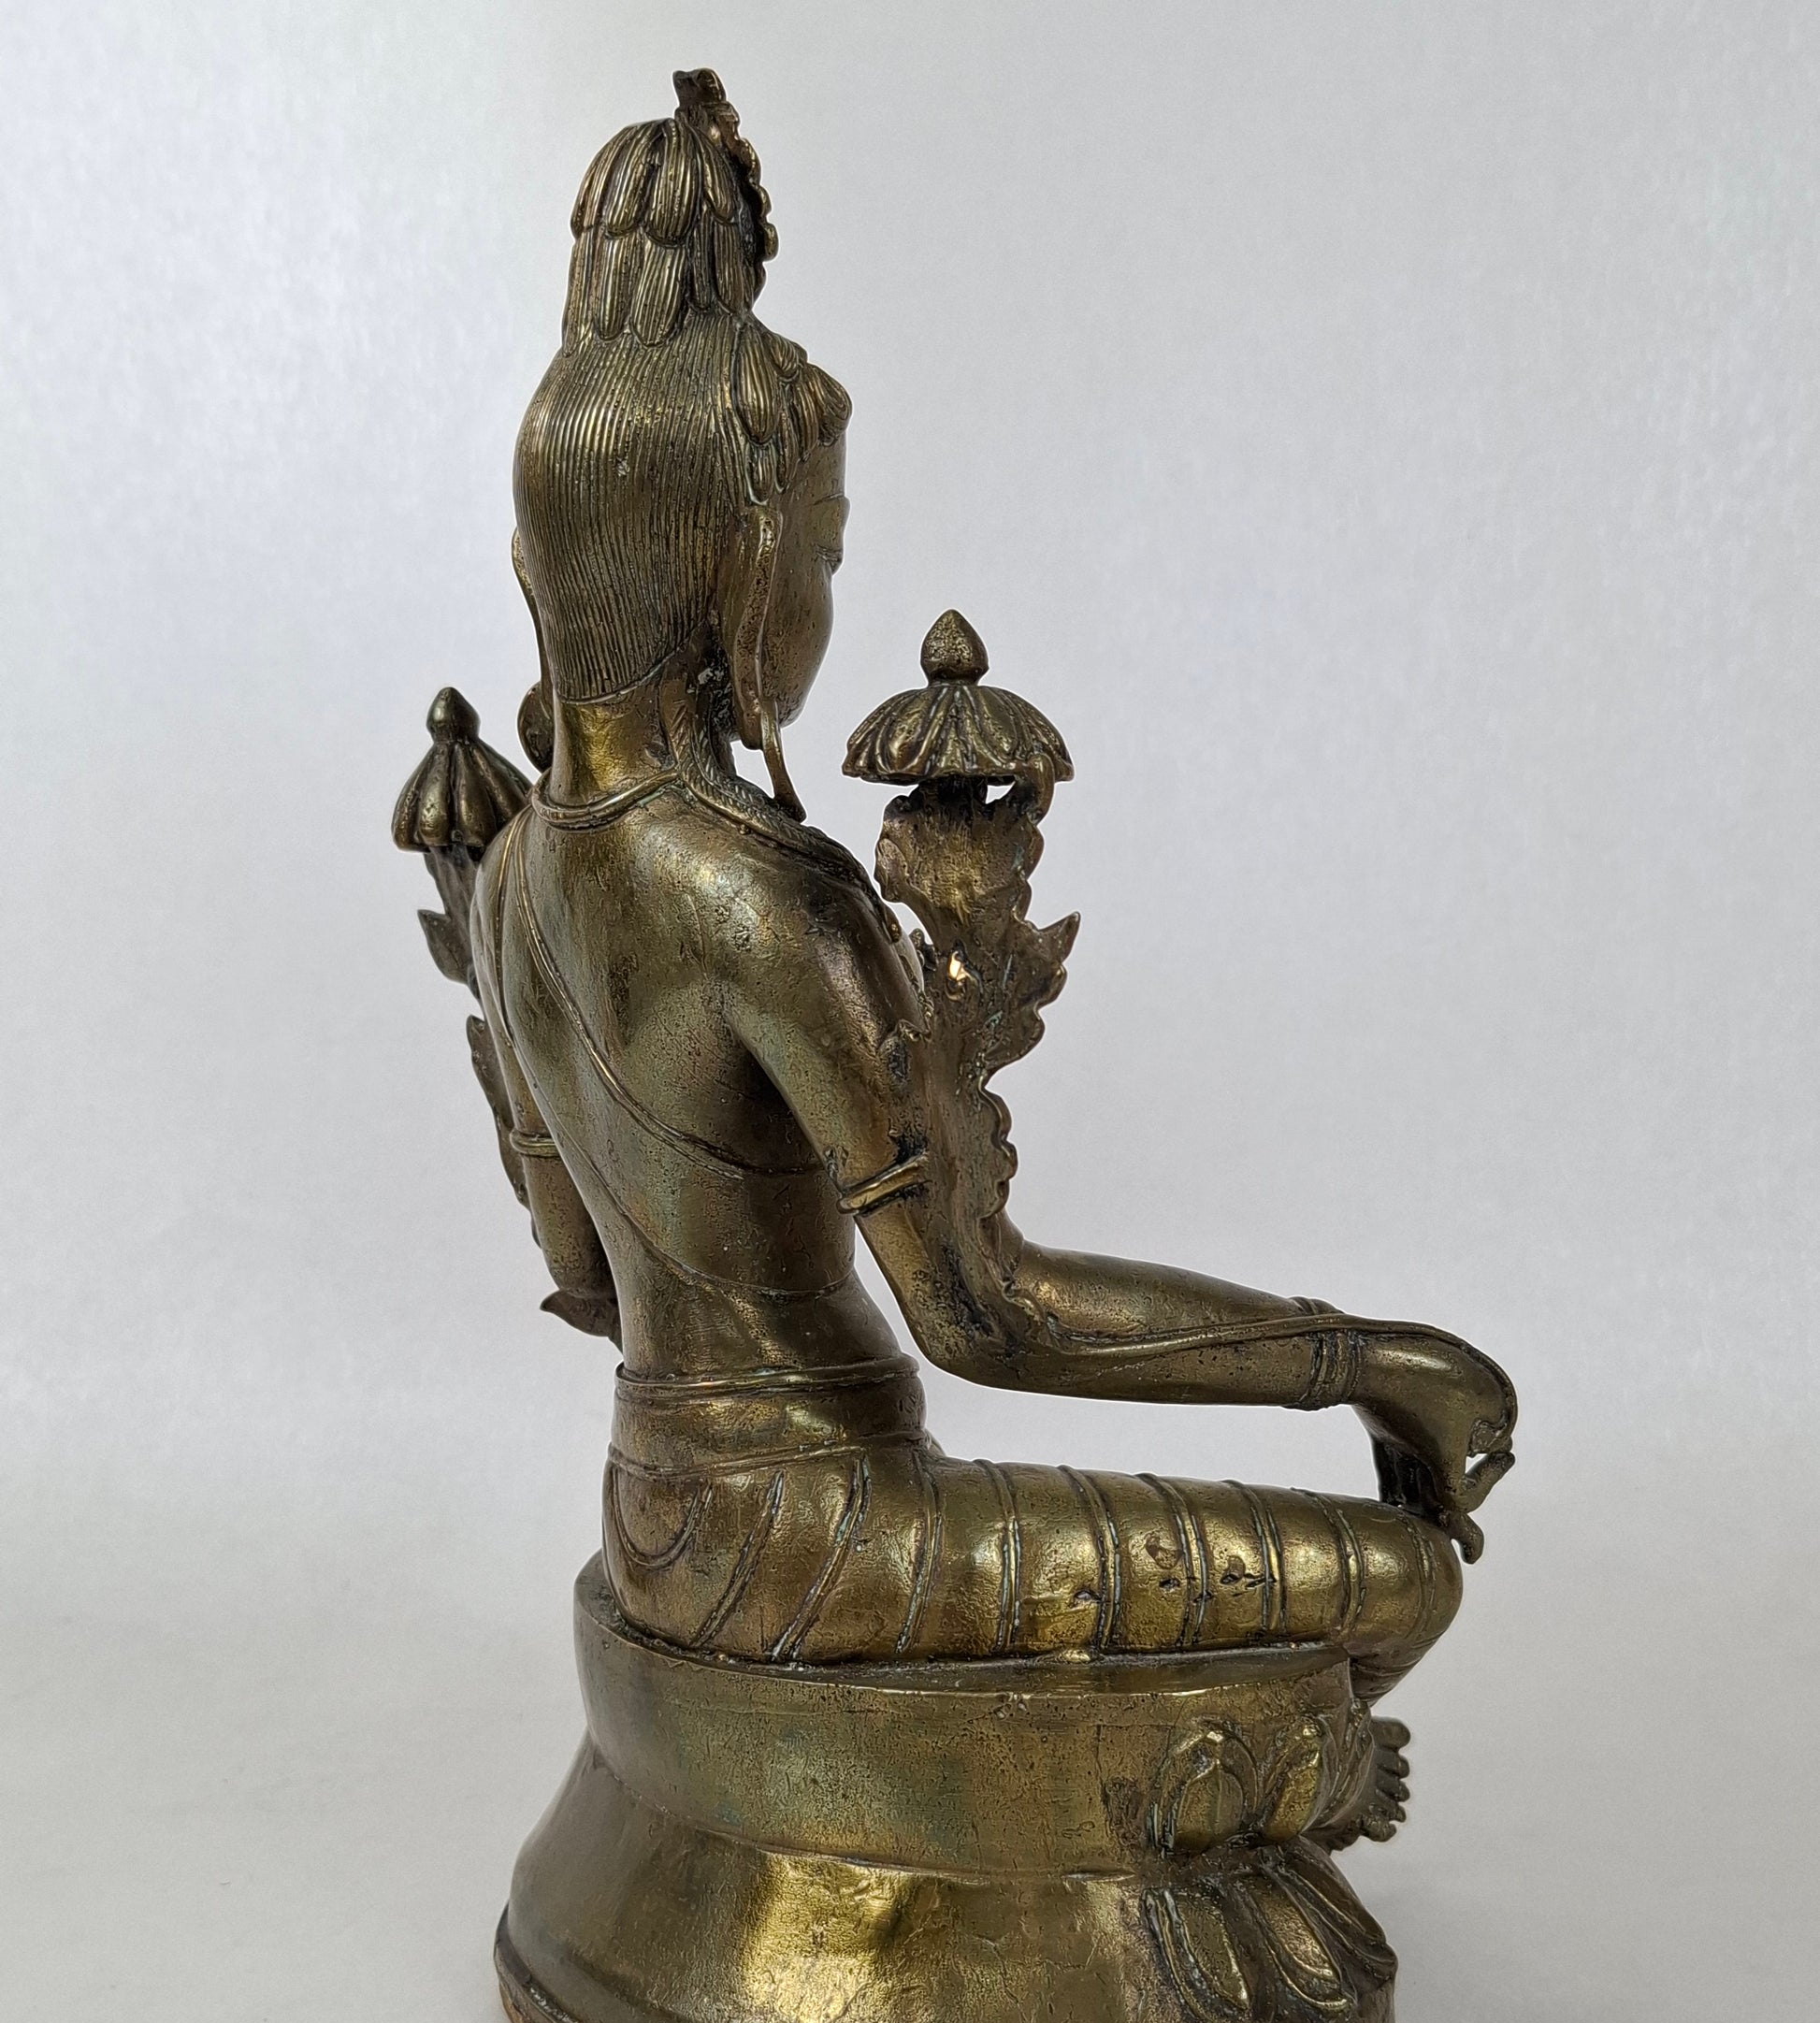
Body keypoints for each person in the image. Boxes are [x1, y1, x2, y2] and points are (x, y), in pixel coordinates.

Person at [468, 71, 1515, 1709]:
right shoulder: (765, 898)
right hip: (836, 1539)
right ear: (737, 558)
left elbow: (588, 1274)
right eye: (823, 553)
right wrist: (1366, 1363)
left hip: (653, 1514)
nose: (826, 598)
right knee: (1397, 1574)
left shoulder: (509, 875)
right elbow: (981, 1314)